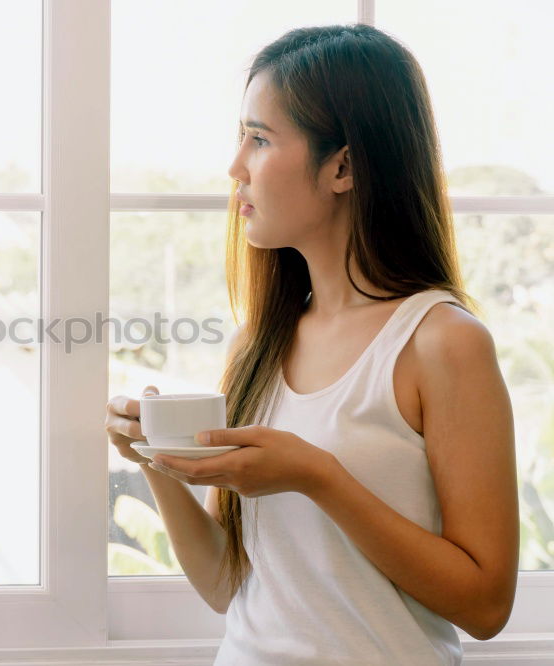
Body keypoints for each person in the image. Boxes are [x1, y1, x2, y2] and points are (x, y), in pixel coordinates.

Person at [104, 23, 519, 665]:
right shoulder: (257, 344)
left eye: (260, 139)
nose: (235, 166)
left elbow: (486, 606)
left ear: (343, 165)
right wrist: (151, 461)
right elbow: (224, 585)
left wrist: (317, 477)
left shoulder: (442, 344)